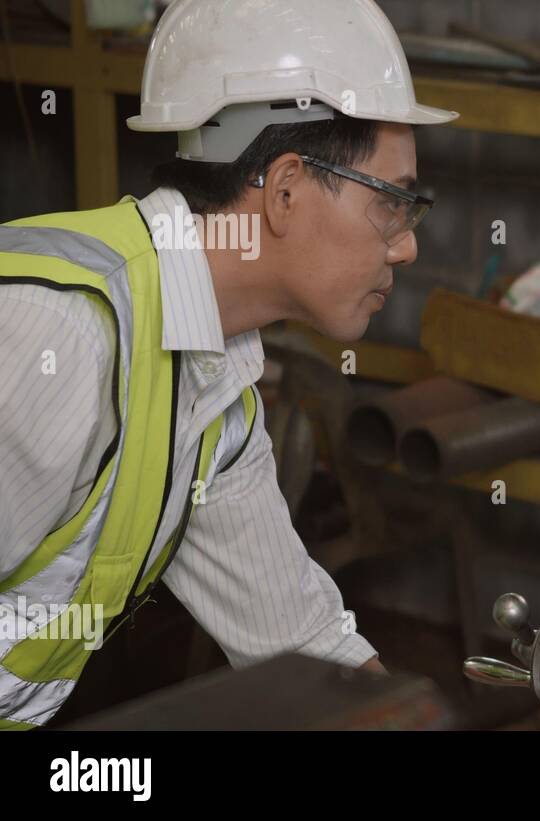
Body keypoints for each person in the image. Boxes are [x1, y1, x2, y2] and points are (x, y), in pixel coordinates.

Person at [0, 0, 457, 729]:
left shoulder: (213, 395)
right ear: (283, 191)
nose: (405, 246)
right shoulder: (63, 332)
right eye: (392, 205)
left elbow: (299, 640)